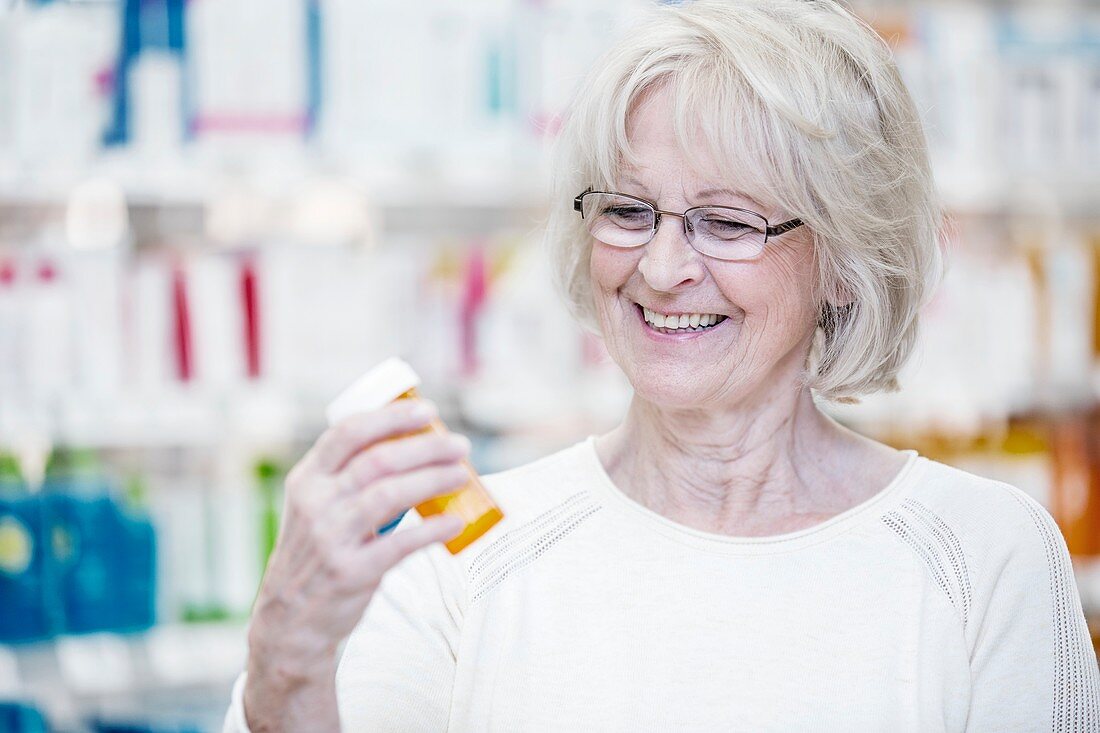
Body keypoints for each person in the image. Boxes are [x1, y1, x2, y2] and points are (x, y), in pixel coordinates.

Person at [224, 1, 1100, 730]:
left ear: (843, 256)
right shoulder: (464, 554)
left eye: (727, 221)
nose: (661, 267)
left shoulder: (984, 558)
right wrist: (284, 672)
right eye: (629, 209)